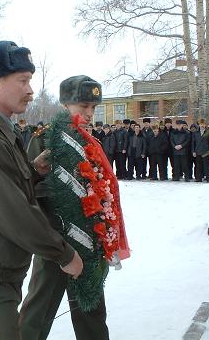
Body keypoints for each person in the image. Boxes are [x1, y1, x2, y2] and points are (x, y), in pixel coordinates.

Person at [0, 41, 83, 340]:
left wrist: (33, 172)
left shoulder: (1, 132)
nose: (31, 90)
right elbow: (16, 214)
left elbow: (7, 190)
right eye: (23, 81)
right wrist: (64, 254)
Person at [19, 75, 129, 340]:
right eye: (84, 106)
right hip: (57, 243)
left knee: (91, 310)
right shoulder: (47, 138)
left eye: (93, 107)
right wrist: (57, 242)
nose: (90, 113)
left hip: (90, 242)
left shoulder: (89, 140)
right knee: (38, 310)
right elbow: (36, 192)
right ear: (66, 104)